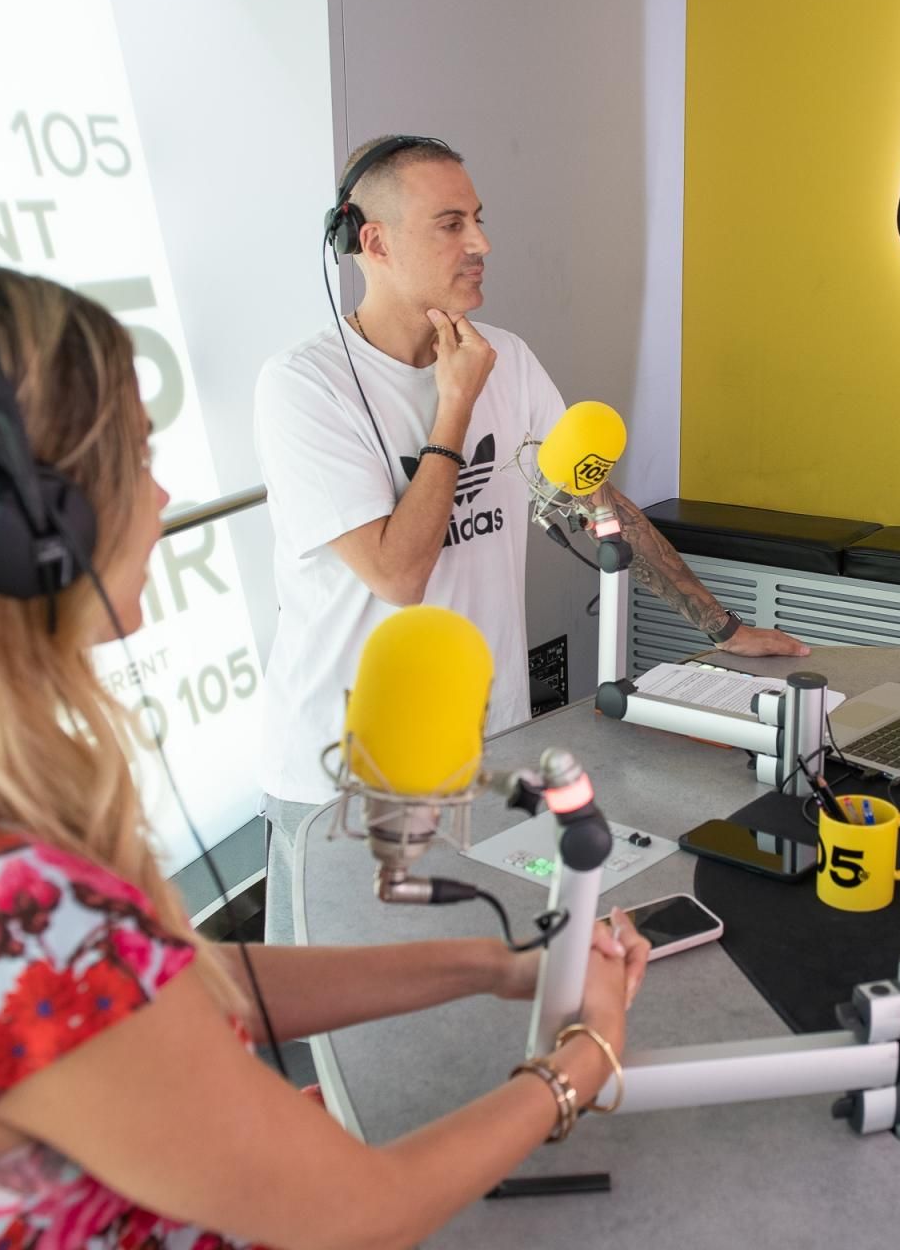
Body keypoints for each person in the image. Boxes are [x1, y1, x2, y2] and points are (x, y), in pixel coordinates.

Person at [0, 256, 650, 1250]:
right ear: (26, 529)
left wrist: (497, 964)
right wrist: (580, 1062)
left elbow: (171, 981)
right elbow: (359, 1214)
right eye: (134, 454)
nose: (160, 495)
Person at [255, 136, 807, 941]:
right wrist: (454, 405)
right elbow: (398, 575)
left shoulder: (505, 359)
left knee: (479, 982)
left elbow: (593, 501)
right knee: (338, 1013)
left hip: (489, 755)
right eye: (451, 224)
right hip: (346, 782)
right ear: (374, 241)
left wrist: (721, 626)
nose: (481, 243)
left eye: (478, 219)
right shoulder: (304, 386)